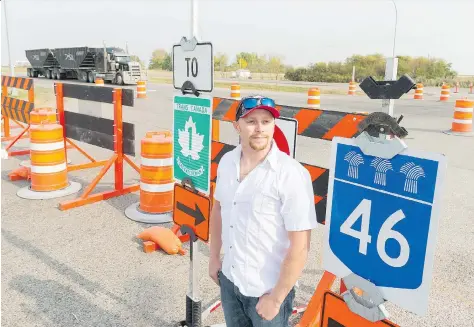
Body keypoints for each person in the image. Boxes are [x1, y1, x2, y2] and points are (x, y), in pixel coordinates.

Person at [208, 95, 318, 327]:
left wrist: (276, 298)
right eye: (251, 122)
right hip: (230, 282)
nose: (259, 129)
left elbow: (301, 245)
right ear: (237, 126)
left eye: (266, 122)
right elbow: (218, 209)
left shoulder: (291, 174)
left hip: (267, 292)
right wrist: (214, 258)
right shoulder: (227, 162)